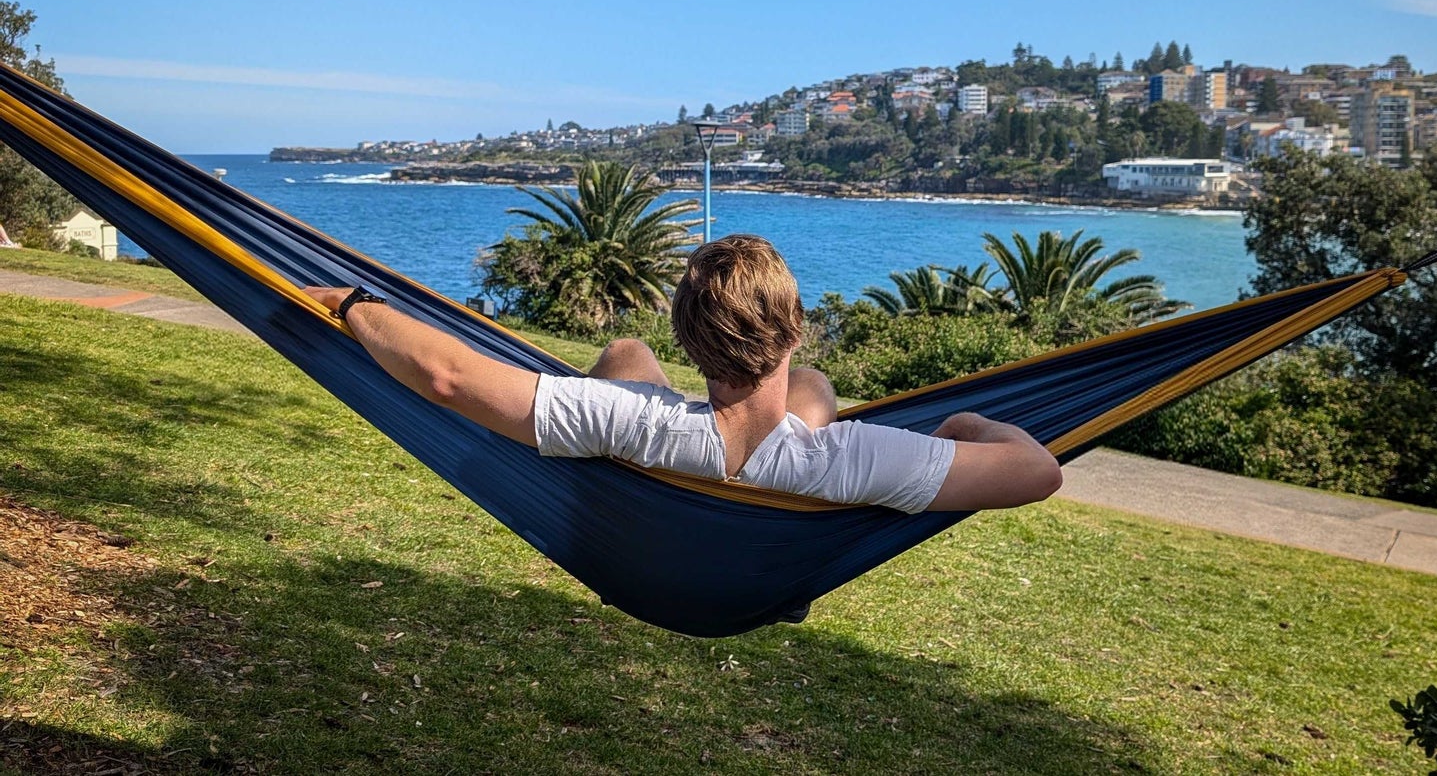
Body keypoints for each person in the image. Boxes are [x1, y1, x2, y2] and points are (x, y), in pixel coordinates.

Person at [303, 232, 1061, 515]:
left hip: (646, 464)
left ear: (691, 340)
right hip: (786, 503)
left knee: (627, 356)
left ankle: (598, 472)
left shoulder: (630, 419)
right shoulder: (860, 460)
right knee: (817, 389)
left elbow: (446, 375)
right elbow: (1037, 472)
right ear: (794, 329)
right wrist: (963, 426)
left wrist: (352, 302)